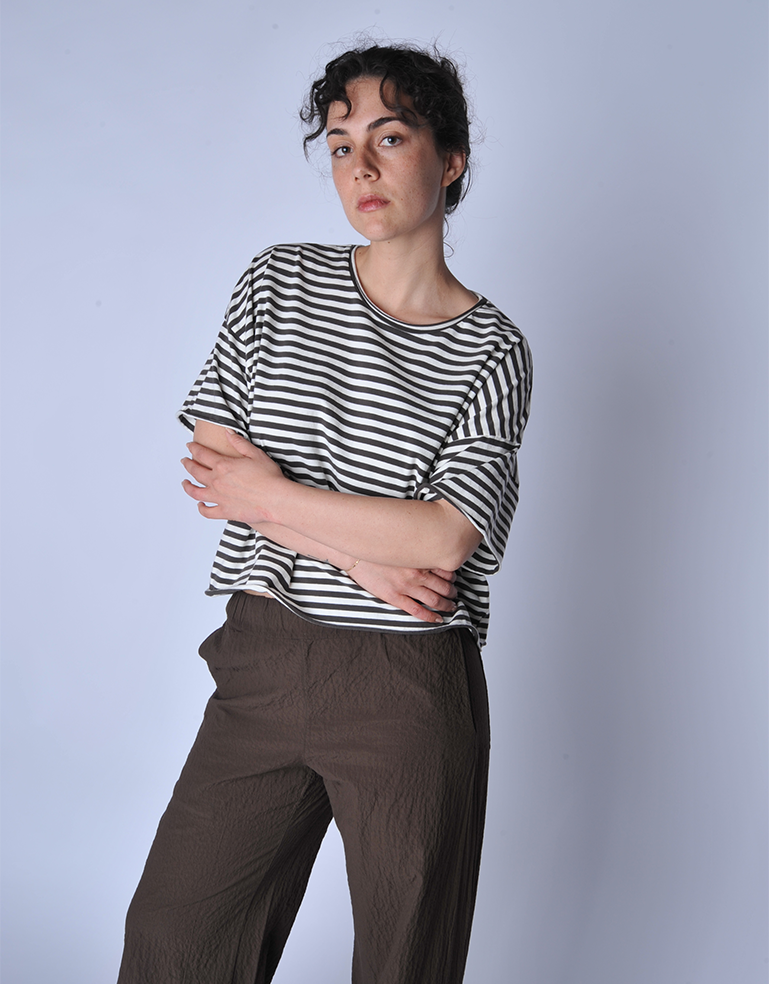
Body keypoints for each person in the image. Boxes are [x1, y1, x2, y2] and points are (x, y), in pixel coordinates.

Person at [117, 42, 532, 984]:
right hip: (263, 659)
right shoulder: (278, 281)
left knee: (403, 961)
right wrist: (361, 560)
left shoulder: (492, 349)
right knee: (175, 941)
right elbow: (215, 462)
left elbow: (446, 535)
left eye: (390, 138)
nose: (361, 168)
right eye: (342, 146)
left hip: (406, 685)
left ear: (451, 160)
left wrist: (270, 497)